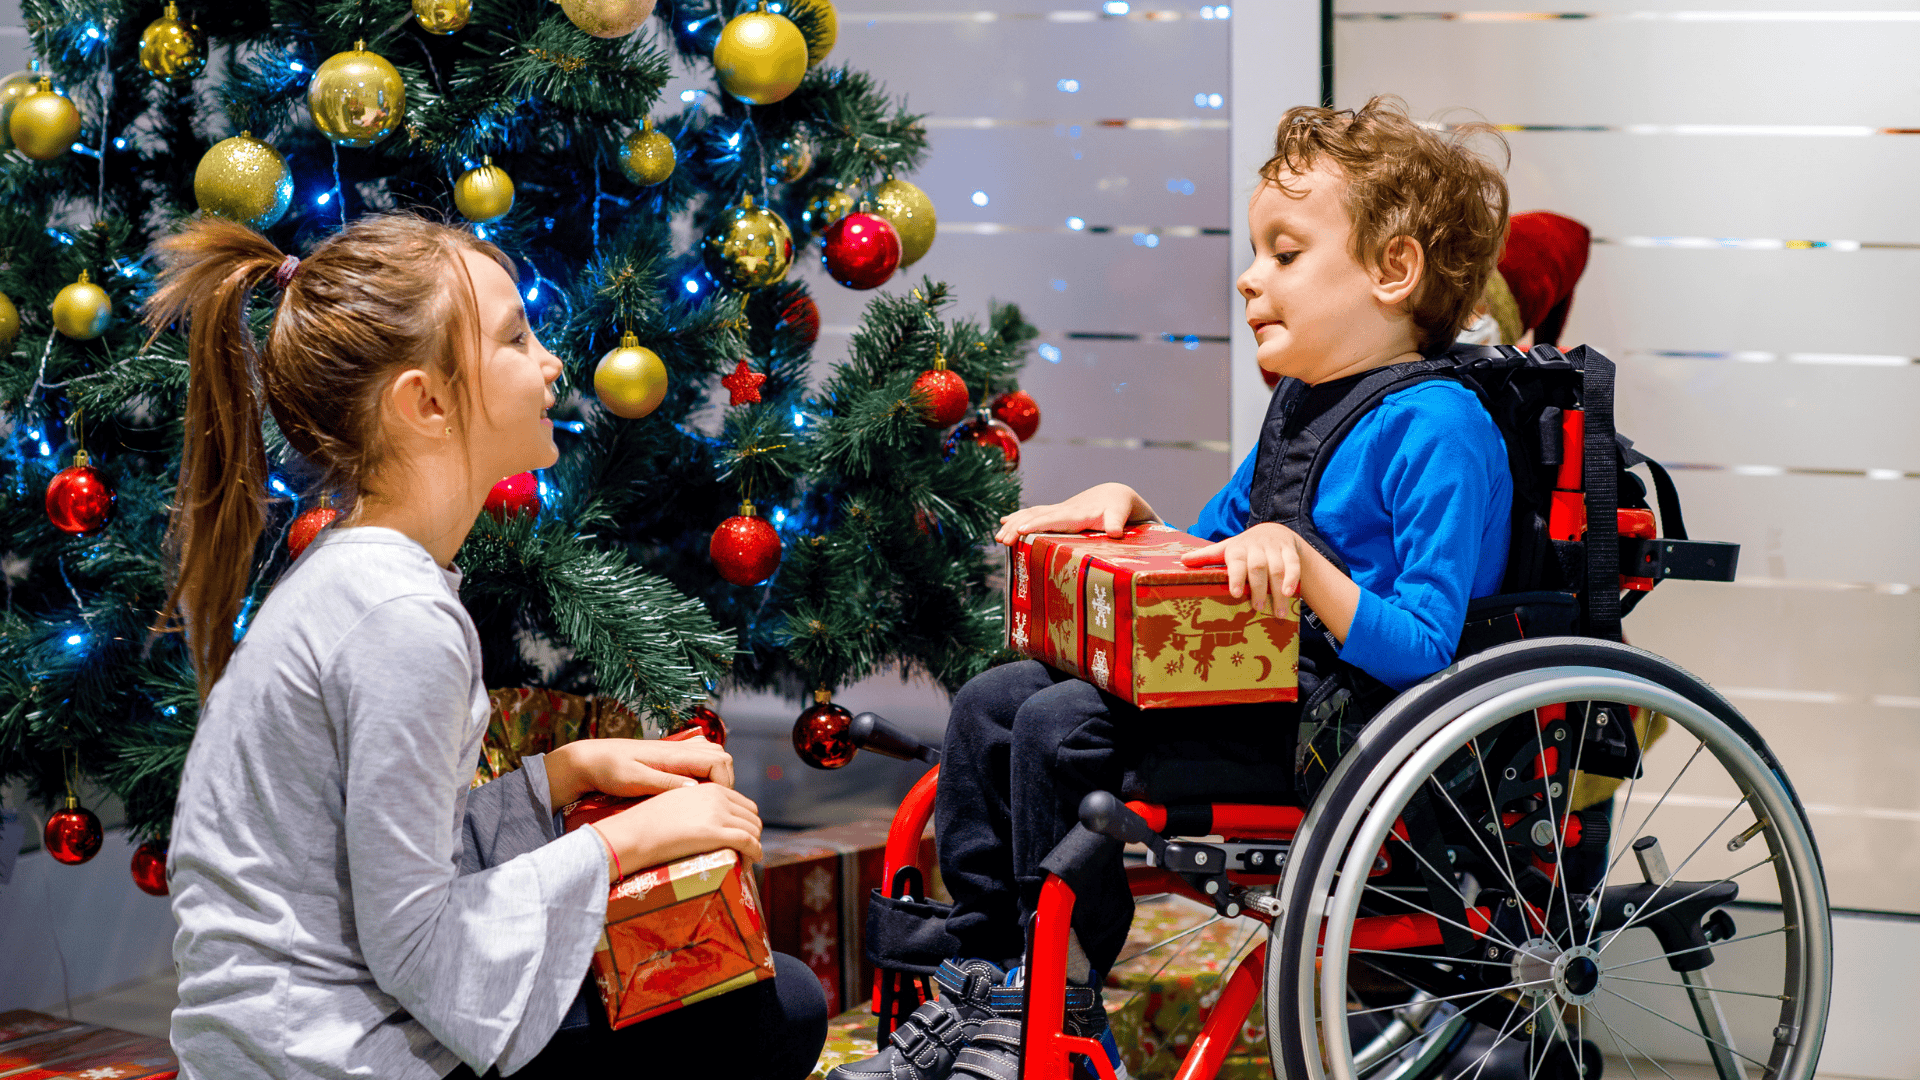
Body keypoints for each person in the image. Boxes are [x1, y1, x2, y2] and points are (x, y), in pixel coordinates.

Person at [830, 97, 1514, 1080]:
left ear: (1392, 271)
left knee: (1061, 724)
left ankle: (1055, 1002)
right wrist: (1134, 514)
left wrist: (1308, 567)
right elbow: (1208, 564)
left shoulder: (1439, 428)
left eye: (1285, 253)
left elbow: (1428, 651)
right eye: (1255, 254)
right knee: (990, 704)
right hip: (1257, 693)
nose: (1248, 278)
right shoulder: (1303, 413)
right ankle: (985, 979)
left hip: (1345, 728)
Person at [153, 214, 827, 1080]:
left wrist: (563, 775)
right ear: (426, 402)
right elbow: (416, 943)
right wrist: (629, 842)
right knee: (772, 1011)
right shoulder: (399, 617)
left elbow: (379, 862)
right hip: (327, 1055)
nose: (551, 362)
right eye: (516, 338)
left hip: (293, 1037)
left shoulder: (366, 577)